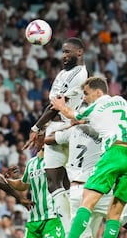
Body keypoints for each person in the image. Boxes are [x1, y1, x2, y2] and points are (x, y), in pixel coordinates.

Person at [51, 77, 127, 238]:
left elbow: (72, 115)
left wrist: (60, 106)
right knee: (115, 212)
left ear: (98, 92)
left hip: (114, 154)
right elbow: (123, 129)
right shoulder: (121, 101)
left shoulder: (95, 107)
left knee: (87, 202)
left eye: (86, 93)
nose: (84, 97)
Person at [23, 37, 88, 234]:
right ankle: (70, 229)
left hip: (67, 126)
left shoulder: (79, 74)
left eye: (68, 52)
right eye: (62, 52)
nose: (64, 56)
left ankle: (73, 228)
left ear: (80, 52)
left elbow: (57, 105)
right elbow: (51, 104)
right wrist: (42, 128)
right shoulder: (62, 73)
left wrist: (36, 128)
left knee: (61, 179)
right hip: (54, 126)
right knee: (56, 180)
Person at [45, 122, 127, 237]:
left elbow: (48, 139)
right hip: (97, 189)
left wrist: (70, 124)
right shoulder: (108, 135)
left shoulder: (74, 130)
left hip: (76, 192)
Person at [5, 148, 66, 238]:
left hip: (52, 216)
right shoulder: (31, 163)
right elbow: (23, 184)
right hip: (34, 219)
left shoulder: (55, 159)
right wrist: (7, 180)